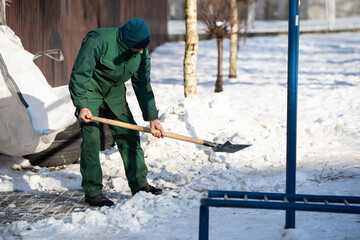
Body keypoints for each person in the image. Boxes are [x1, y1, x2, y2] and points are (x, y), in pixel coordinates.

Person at [69, 18, 164, 207]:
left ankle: (140, 185)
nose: (140, 51)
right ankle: (93, 192)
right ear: (126, 41)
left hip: (114, 93)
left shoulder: (141, 52)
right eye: (137, 47)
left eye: (143, 47)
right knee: (92, 140)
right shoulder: (98, 40)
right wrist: (82, 105)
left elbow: (143, 84)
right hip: (91, 92)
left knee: (129, 135)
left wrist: (152, 117)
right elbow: (80, 74)